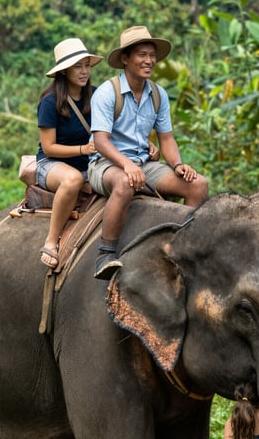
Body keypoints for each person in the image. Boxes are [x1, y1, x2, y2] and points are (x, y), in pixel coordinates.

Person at [88, 25, 209, 279]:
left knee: (198, 185)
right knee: (124, 184)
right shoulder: (107, 92)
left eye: (152, 55)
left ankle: (179, 247)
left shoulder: (157, 94)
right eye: (142, 54)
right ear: (125, 59)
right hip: (106, 163)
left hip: (144, 163)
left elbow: (166, 138)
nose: (149, 61)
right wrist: (126, 165)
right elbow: (100, 141)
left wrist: (177, 165)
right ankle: (105, 253)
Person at [37, 38, 103, 268]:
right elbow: (49, 147)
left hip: (90, 164)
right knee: (72, 180)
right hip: (53, 164)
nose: (84, 71)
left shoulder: (96, 95)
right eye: (78, 66)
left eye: (87, 65)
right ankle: (51, 240)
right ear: (64, 71)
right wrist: (82, 149)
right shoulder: (50, 102)